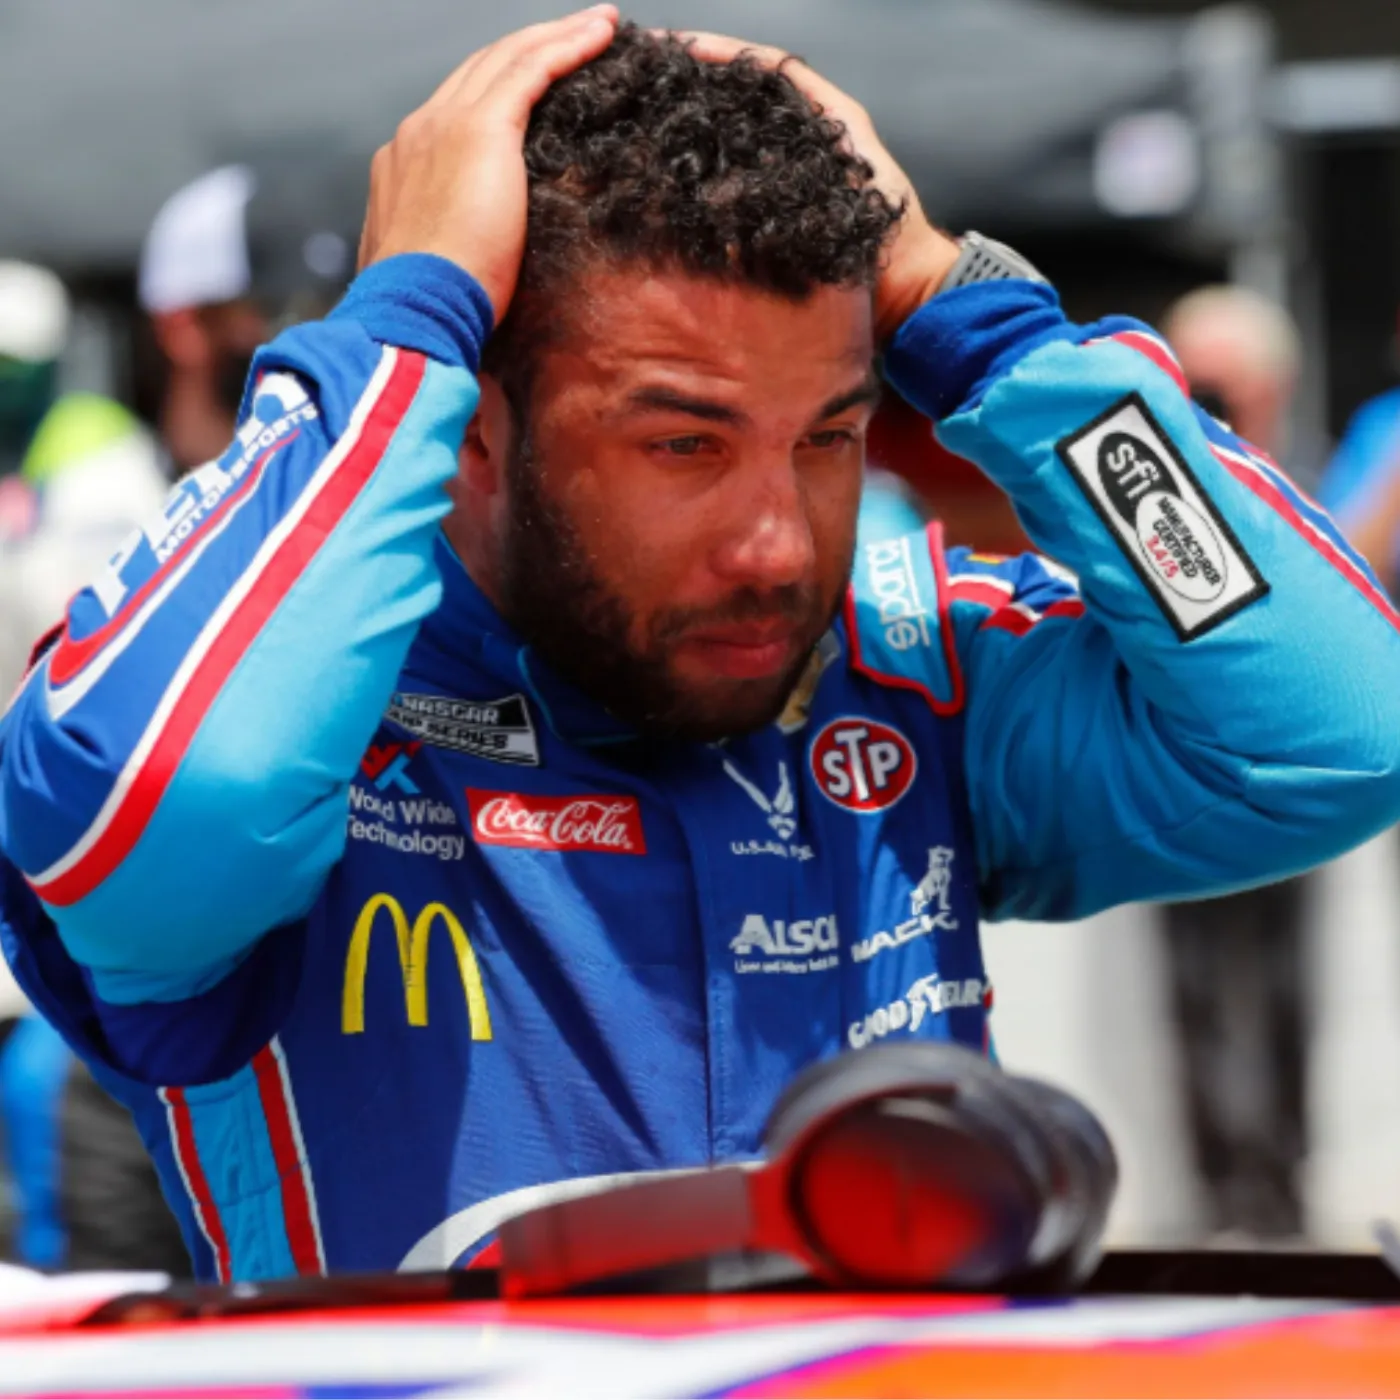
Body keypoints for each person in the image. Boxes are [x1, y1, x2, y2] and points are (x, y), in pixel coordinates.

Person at [3, 13, 1400, 1283]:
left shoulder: (898, 663)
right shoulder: (302, 706)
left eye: (828, 437)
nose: (776, 546)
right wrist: (404, 322)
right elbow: (152, 805)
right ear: (471, 424)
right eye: (684, 444)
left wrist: (967, 311)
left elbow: (1344, 730)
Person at [1155, 285, 1312, 1239]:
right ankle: (1221, 1191)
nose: (1205, 400)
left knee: (1288, 988)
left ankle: (1282, 1188)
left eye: (1219, 383)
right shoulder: (1154, 492)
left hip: (1290, 779)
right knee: (1195, 991)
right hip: (1181, 775)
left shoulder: (1306, 482)